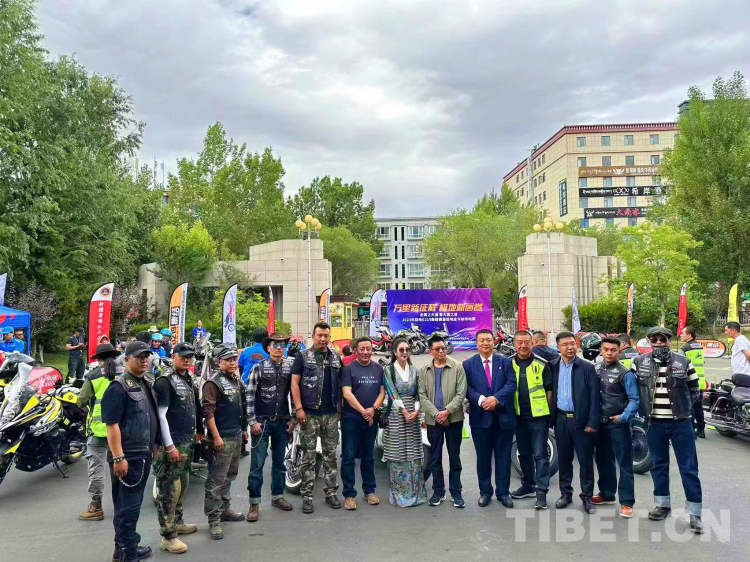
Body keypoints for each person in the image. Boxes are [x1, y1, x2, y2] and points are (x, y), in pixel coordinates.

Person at [631, 326, 703, 533]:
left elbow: (695, 390)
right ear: (648, 341)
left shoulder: (684, 362)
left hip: (681, 423)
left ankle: (695, 514)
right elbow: (632, 389)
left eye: (662, 339)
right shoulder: (639, 362)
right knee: (658, 465)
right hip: (654, 423)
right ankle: (662, 506)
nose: (658, 343)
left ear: (669, 341)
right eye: (654, 339)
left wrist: (682, 410)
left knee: (689, 468)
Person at [101, 341, 159, 562]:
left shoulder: (144, 382)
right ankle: (128, 554)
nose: (144, 361)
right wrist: (119, 457)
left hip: (142, 453)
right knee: (128, 508)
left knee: (130, 506)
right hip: (128, 456)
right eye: (139, 357)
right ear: (127, 360)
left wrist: (155, 444)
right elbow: (112, 425)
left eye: (146, 357)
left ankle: (124, 549)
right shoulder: (118, 387)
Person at [153, 342, 203, 554]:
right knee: (168, 490)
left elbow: (195, 407)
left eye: (190, 356)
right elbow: (161, 416)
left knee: (182, 485)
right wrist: (169, 445)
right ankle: (168, 536)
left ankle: (178, 523)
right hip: (172, 443)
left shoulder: (188, 378)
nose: (187, 359)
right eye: (183, 356)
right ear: (173, 357)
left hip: (187, 441)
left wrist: (199, 430)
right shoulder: (165, 381)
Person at [290, 322, 343, 514]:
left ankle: (331, 493)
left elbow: (341, 384)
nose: (323, 339)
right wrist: (298, 409)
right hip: (310, 413)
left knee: (331, 456)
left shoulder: (336, 356)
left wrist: (340, 410)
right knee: (308, 457)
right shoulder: (303, 356)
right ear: (313, 336)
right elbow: (294, 384)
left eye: (326, 335)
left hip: (331, 414)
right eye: (319, 335)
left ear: (329, 337)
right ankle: (307, 496)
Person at [464, 329, 517, 508]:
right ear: (477, 343)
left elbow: (511, 384)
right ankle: (485, 492)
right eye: (482, 340)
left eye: (488, 340)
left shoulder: (505, 362)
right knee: (483, 458)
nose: (485, 343)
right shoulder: (468, 364)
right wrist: (481, 400)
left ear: (493, 341)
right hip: (480, 419)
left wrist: (496, 399)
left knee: (503, 458)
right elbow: (466, 388)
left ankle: (503, 493)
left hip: (504, 418)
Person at [246, 333, 295, 522]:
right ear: (268, 348)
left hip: (282, 421)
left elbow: (294, 393)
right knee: (257, 464)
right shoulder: (258, 367)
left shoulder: (290, 367)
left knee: (280, 462)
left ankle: (278, 496)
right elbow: (249, 394)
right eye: (275, 345)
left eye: (282, 345)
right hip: (262, 422)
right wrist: (252, 421)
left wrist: (293, 419)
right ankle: (254, 503)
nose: (279, 348)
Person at [202, 344, 248, 540]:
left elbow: (242, 406)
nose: (232, 363)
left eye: (234, 360)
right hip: (221, 438)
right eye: (228, 360)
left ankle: (224, 510)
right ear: (219, 362)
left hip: (236, 436)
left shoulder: (236, 380)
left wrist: (244, 430)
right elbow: (208, 411)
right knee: (216, 480)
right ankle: (213, 520)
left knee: (229, 475)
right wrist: (216, 436)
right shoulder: (213, 383)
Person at [551, 331, 599, 514]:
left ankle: (587, 496)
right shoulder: (553, 366)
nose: (570, 347)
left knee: (585, 461)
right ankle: (565, 493)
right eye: (565, 344)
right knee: (564, 459)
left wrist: (592, 422)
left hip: (582, 420)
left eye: (572, 343)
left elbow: (594, 397)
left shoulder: (587, 368)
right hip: (561, 419)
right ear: (558, 348)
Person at [592, 337, 639, 518]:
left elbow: (634, 399)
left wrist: (624, 417)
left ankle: (627, 502)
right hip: (599, 423)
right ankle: (606, 494)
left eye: (613, 350)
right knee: (603, 460)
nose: (609, 353)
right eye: (606, 349)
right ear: (601, 350)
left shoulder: (625, 373)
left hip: (619, 424)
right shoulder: (595, 369)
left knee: (624, 464)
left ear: (619, 352)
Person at [418, 334, 467, 508]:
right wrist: (437, 414)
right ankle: (438, 491)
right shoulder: (424, 371)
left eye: (443, 348)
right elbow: (422, 396)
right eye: (437, 349)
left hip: (454, 419)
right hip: (433, 421)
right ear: (430, 351)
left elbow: (461, 393)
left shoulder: (457, 367)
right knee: (435, 457)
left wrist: (447, 412)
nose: (441, 351)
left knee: (455, 457)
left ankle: (456, 492)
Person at [76, 343, 123, 522]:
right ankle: (122, 506)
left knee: (96, 468)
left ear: (98, 359)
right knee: (119, 466)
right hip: (120, 430)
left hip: (97, 430)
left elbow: (81, 400)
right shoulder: (125, 373)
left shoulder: (93, 375)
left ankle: (96, 507)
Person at [508, 330, 554, 510]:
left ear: (532, 343)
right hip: (518, 417)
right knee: (524, 453)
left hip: (538, 418)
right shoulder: (509, 363)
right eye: (519, 342)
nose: (523, 345)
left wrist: (547, 414)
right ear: (514, 344)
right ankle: (528, 485)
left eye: (526, 342)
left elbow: (549, 390)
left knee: (540, 456)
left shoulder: (542, 364)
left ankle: (541, 493)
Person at [340, 337, 385, 510]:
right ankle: (349, 494)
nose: (365, 352)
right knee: (348, 456)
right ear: (355, 350)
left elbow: (382, 392)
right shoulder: (348, 369)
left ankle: (369, 491)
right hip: (351, 419)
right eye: (362, 349)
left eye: (368, 349)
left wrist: (373, 409)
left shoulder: (378, 369)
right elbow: (347, 394)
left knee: (368, 456)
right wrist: (364, 411)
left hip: (371, 419)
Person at [381, 337, 427, 507]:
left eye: (407, 349)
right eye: (401, 350)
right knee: (397, 453)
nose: (405, 352)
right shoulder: (388, 370)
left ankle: (415, 493)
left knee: (413, 453)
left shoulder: (415, 370)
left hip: (413, 414)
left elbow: (419, 393)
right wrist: (404, 411)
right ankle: (400, 494)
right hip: (396, 414)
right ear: (395, 352)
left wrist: (416, 411)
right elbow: (392, 393)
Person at [679, 326, 707, 438]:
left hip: (689, 382)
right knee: (698, 407)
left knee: (689, 407)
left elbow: (679, 366)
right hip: (700, 381)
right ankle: (701, 430)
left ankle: (691, 431)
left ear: (689, 335)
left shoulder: (684, 348)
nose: (680, 335)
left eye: (682, 333)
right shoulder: (699, 346)